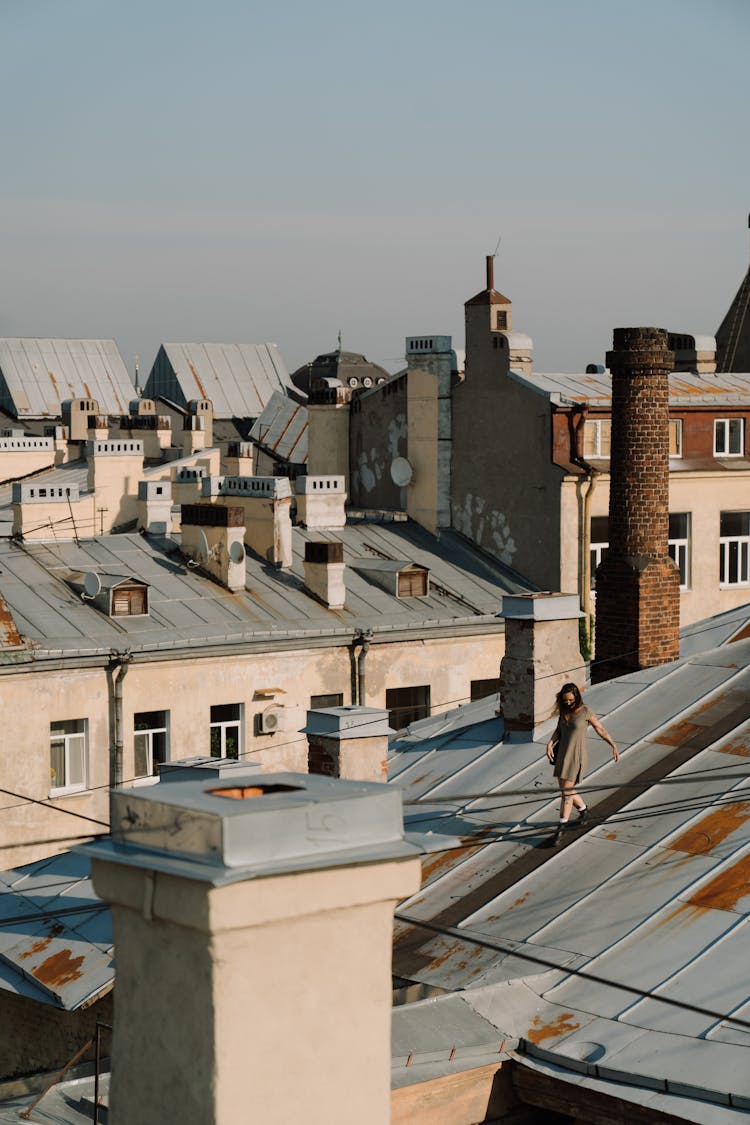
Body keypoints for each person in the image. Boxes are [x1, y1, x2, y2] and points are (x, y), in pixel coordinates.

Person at [546, 682, 618, 847]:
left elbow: (600, 729)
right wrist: (550, 743)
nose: (568, 703)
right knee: (567, 790)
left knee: (566, 794)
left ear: (577, 697)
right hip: (562, 755)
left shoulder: (586, 711)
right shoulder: (564, 711)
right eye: (565, 700)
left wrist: (612, 744)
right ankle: (584, 812)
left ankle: (560, 829)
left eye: (571, 700)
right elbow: (559, 730)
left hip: (575, 757)